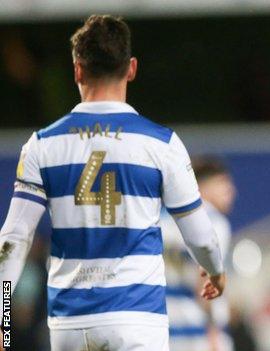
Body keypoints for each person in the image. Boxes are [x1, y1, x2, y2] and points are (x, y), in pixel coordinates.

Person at [0, 15, 225, 350]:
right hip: (137, 320)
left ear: (77, 69)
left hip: (70, 325)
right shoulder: (161, 144)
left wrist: (3, 321)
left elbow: (13, 240)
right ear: (131, 68)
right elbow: (202, 237)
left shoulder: (42, 146)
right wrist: (215, 271)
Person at [164, 157, 236, 351]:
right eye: (223, 184)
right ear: (203, 186)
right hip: (197, 332)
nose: (231, 192)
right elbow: (205, 283)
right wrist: (213, 332)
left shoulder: (163, 219)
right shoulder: (212, 222)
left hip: (165, 330)